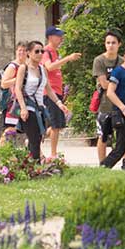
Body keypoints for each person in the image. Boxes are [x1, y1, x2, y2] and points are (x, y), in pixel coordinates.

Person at [0, 42, 43, 159]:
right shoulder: (13, 66)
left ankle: (37, 155)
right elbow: (4, 84)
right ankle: (1, 154)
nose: (21, 53)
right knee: (10, 129)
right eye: (19, 50)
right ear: (16, 51)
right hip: (14, 104)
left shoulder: (27, 66)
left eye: (23, 50)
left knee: (32, 131)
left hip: (26, 103)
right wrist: (18, 79)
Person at [91, 29, 125, 168]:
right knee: (103, 136)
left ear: (119, 44)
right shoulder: (99, 61)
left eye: (113, 42)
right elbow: (103, 84)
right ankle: (102, 164)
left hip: (122, 104)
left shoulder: (123, 61)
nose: (110, 45)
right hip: (105, 104)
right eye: (108, 42)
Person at [41, 26, 78, 158]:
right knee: (56, 125)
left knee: (59, 124)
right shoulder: (46, 51)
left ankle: (37, 137)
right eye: (58, 36)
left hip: (57, 91)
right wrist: (68, 58)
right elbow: (49, 67)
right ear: (50, 37)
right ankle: (53, 154)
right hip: (50, 92)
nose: (61, 38)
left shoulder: (55, 52)